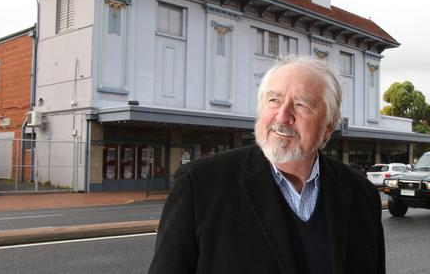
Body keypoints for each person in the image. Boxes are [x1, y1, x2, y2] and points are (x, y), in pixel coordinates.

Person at [148, 56, 385, 274]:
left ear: (329, 126)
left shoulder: (362, 194)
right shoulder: (199, 184)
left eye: (301, 105)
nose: (282, 116)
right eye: (274, 100)